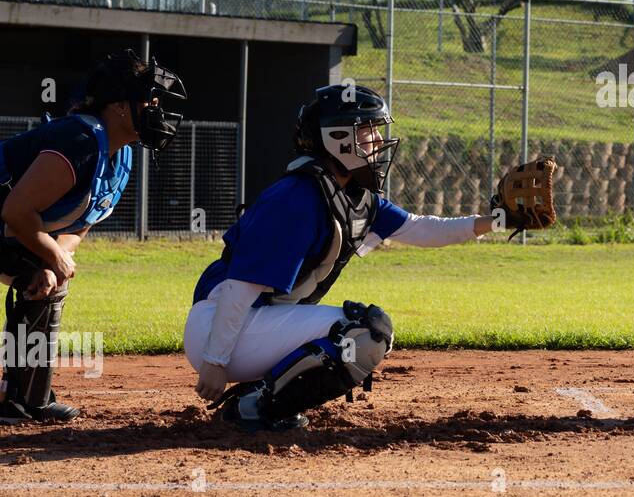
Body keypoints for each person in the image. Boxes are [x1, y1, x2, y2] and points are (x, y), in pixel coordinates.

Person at [185, 83, 540, 432]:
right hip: (221, 327)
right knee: (365, 333)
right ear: (336, 137)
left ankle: (255, 396)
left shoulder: (350, 195)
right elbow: (240, 287)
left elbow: (421, 229)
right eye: (366, 130)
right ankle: (253, 408)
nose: (376, 141)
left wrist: (494, 221)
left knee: (365, 332)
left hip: (250, 322)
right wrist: (215, 361)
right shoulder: (296, 198)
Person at [0, 49, 186, 422]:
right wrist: (51, 258)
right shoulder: (81, 139)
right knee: (40, 272)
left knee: (46, 277)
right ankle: (23, 399)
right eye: (147, 101)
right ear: (118, 107)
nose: (155, 109)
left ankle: (23, 396)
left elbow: (79, 225)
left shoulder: (121, 155)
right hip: (8, 221)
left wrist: (55, 261)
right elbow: (17, 211)